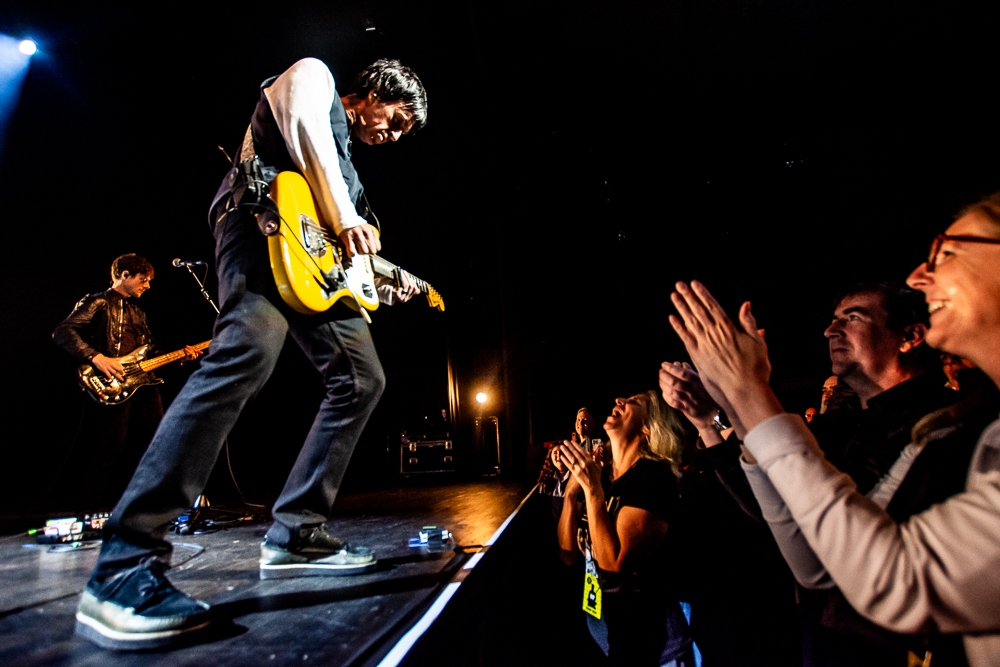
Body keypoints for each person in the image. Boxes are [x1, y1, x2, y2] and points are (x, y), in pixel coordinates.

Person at [74, 57, 428, 650]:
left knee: (362, 379)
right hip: (258, 224)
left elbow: (351, 260)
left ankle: (296, 533)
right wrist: (345, 218)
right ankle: (122, 568)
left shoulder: (351, 175)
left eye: (401, 134)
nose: (392, 136)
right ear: (371, 93)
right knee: (247, 353)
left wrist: (389, 280)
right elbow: (303, 126)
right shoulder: (314, 77)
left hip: (311, 265)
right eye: (395, 120)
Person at [667, 192, 1000, 667]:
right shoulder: (850, 421)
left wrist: (748, 393)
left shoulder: (948, 427)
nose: (918, 276)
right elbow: (811, 558)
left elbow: (891, 574)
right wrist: (715, 417)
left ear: (909, 337)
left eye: (946, 254)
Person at [51, 254, 200, 510]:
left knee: (158, 443)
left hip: (143, 383)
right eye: (143, 280)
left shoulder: (137, 311)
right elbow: (63, 331)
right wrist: (97, 358)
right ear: (124, 275)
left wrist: (181, 357)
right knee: (110, 447)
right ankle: (91, 508)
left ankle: (154, 506)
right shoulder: (97, 302)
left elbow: (150, 352)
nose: (147, 285)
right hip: (113, 382)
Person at [557, 392, 694, 666]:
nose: (619, 400)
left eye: (634, 401)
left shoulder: (653, 479)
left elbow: (614, 567)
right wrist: (573, 494)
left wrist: (592, 490)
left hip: (654, 647)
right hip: (609, 636)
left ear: (647, 427)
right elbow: (569, 555)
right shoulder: (605, 478)